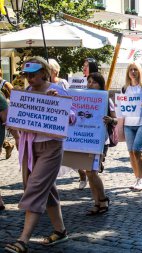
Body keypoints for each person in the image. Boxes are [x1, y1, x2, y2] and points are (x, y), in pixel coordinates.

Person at [4, 56, 74, 253]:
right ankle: (60, 231)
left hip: (51, 147)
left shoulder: (58, 90)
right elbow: (20, 117)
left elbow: (72, 117)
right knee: (46, 188)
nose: (29, 79)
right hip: (31, 148)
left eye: (32, 75)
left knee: (35, 188)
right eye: (26, 75)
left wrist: (58, 103)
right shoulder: (26, 91)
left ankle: (23, 239)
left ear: (43, 73)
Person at [84, 72, 116, 215]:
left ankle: (103, 199)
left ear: (100, 84)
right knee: (88, 172)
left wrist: (109, 119)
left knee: (93, 172)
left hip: (100, 140)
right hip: (86, 138)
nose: (90, 84)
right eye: (89, 81)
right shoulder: (83, 98)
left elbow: (116, 120)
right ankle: (96, 202)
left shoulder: (106, 99)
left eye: (94, 82)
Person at [122, 62, 142, 191]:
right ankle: (137, 178)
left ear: (139, 72)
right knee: (131, 153)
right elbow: (121, 105)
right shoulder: (125, 88)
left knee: (137, 150)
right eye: (131, 70)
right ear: (128, 73)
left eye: (135, 69)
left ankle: (141, 179)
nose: (133, 72)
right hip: (128, 124)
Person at [78, 58, 99, 189]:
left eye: (86, 65)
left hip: (93, 125)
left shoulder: (98, 81)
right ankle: (82, 176)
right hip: (80, 122)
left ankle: (91, 177)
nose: (84, 68)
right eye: (83, 65)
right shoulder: (79, 81)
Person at [0, 68, 16, 159]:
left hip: (4, 109)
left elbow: (15, 95)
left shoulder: (5, 84)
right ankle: (8, 146)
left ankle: (7, 145)